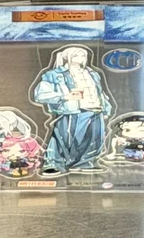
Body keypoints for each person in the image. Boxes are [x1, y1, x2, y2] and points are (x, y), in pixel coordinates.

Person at [30, 45, 113, 174]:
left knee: (94, 138)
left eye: (83, 55)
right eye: (76, 55)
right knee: (63, 138)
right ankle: (53, 163)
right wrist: (64, 96)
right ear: (68, 57)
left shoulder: (92, 74)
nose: (80, 58)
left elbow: (100, 93)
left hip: (96, 110)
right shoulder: (55, 74)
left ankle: (85, 163)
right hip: (72, 111)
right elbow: (40, 94)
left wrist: (106, 108)